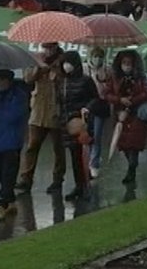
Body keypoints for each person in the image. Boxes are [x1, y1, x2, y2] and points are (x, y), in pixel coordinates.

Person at [16, 43, 66, 195]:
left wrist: (56, 73)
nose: (48, 50)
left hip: (56, 109)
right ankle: (26, 178)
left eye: (51, 47)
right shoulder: (36, 59)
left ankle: (57, 179)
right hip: (38, 109)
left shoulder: (63, 61)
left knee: (58, 148)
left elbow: (69, 79)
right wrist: (39, 68)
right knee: (32, 145)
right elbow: (27, 78)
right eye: (46, 47)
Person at [105, 50, 147, 185]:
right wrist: (120, 100)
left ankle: (132, 169)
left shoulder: (140, 78)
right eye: (124, 63)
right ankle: (131, 166)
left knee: (134, 144)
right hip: (120, 116)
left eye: (129, 64)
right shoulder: (114, 77)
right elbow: (107, 93)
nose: (126, 66)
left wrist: (133, 100)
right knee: (124, 144)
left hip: (136, 114)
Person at [0, 69, 28, 222]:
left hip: (11, 141)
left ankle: (2, 204)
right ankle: (10, 201)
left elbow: (13, 115)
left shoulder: (18, 96)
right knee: (1, 174)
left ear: (7, 81)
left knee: (8, 175)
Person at [57, 51, 98, 201]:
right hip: (66, 124)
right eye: (64, 63)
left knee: (81, 155)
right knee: (74, 156)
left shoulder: (85, 81)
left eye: (69, 63)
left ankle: (84, 185)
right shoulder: (63, 82)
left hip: (81, 122)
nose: (66, 66)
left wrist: (87, 108)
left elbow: (95, 99)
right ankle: (79, 185)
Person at [84, 47, 110, 179]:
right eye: (95, 56)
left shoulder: (107, 70)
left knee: (97, 135)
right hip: (88, 105)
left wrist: (102, 81)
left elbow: (107, 91)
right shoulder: (85, 69)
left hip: (100, 106)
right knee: (88, 134)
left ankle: (94, 163)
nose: (97, 59)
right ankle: (90, 158)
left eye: (100, 57)